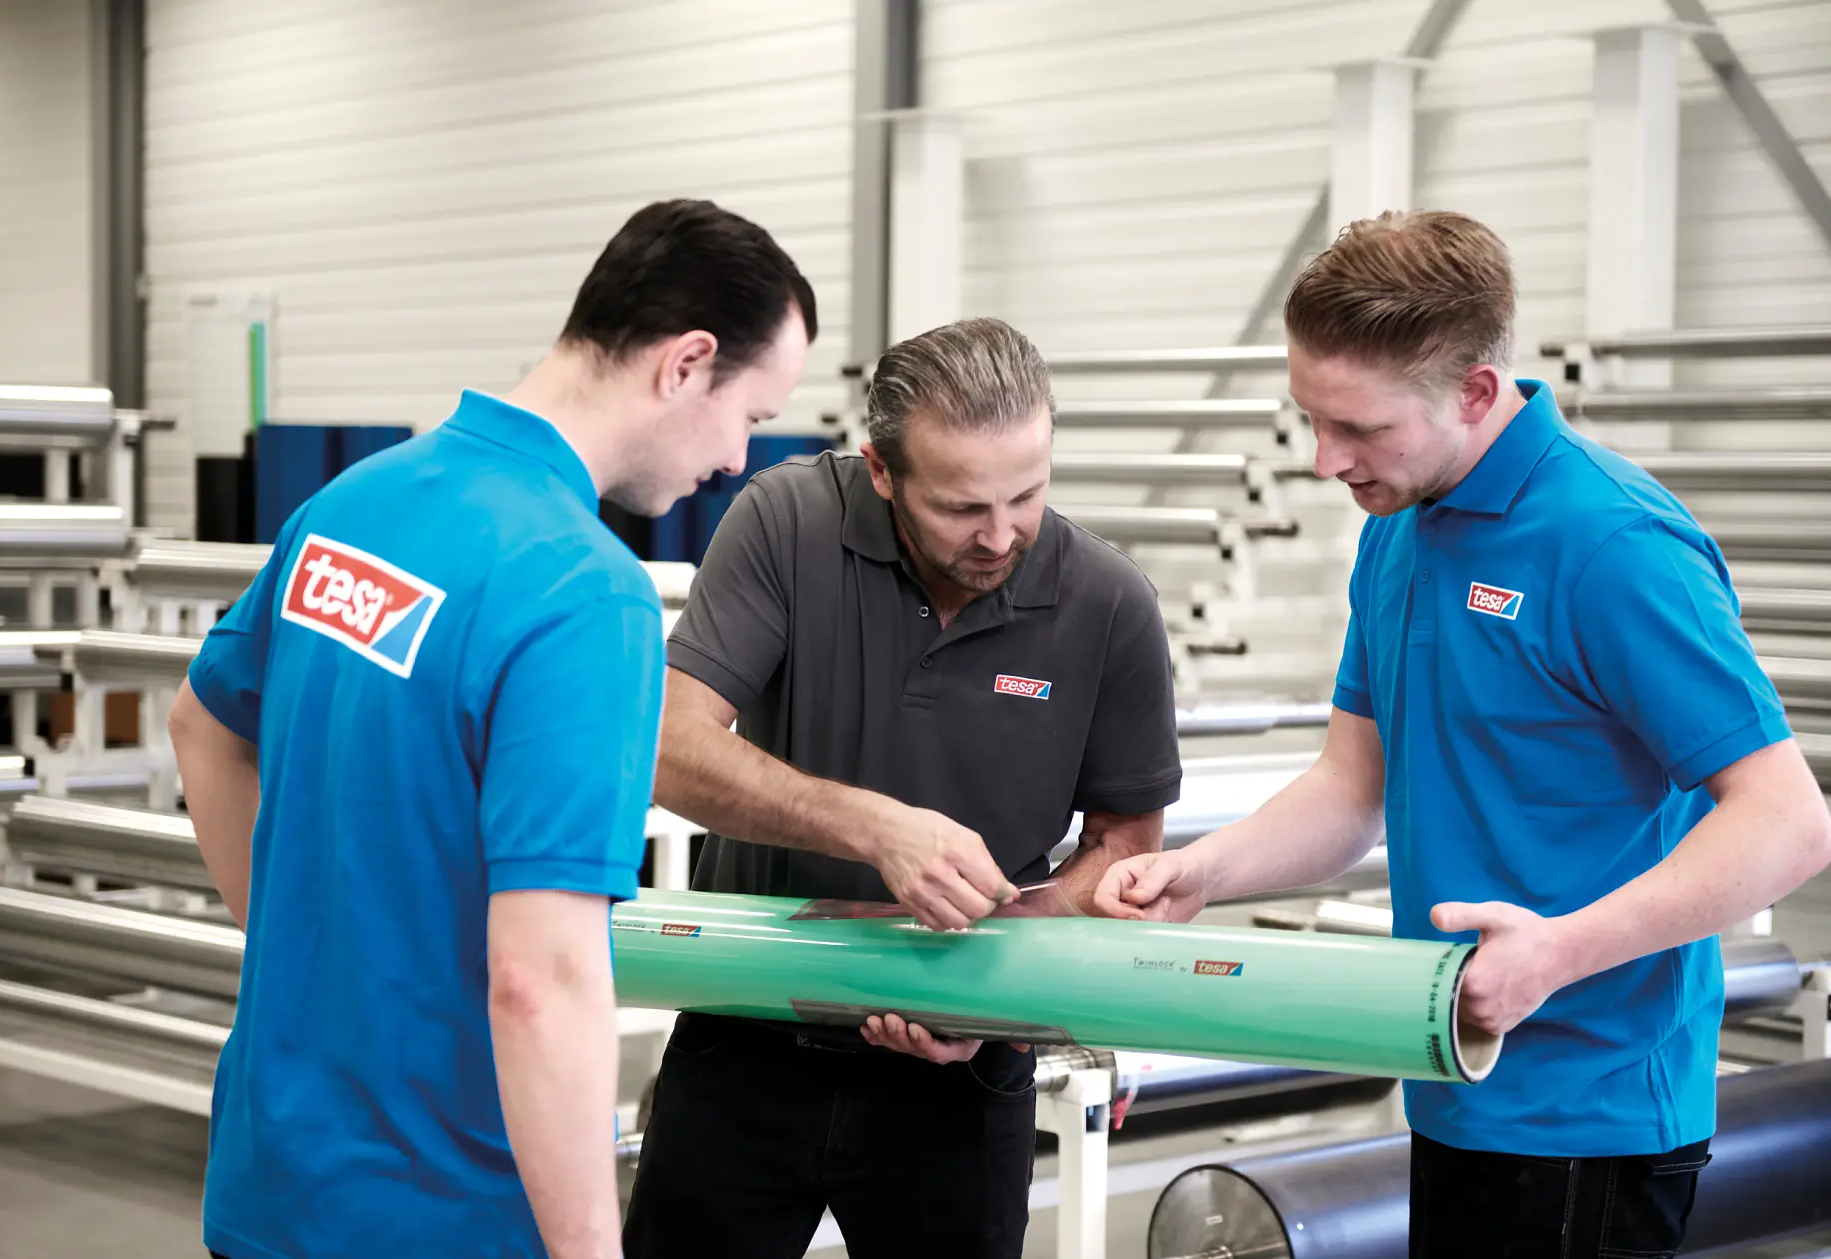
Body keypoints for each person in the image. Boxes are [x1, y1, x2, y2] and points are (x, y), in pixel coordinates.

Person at [1097, 210, 1831, 1258]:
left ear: (1475, 393)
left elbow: (1787, 823)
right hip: (1449, 1077)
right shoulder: (1399, 526)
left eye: (1358, 428)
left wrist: (1556, 952)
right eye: (1311, 418)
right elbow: (1349, 786)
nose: (1322, 461)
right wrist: (1204, 870)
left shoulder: (1612, 543)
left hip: (1594, 1116)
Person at [167, 198, 815, 1259]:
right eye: (750, 413)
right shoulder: (581, 591)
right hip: (442, 1208)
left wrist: (317, 963)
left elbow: (202, 723)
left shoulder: (351, 506)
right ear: (686, 362)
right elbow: (540, 977)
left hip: (269, 1181)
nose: (738, 460)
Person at [622, 316, 1183, 1259]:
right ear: (882, 469)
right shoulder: (787, 522)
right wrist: (874, 828)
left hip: (967, 1066)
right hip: (750, 1032)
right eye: (962, 506)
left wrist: (987, 982)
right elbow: (666, 745)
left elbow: (1126, 846)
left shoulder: (1109, 605)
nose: (1001, 535)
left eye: (1028, 495)